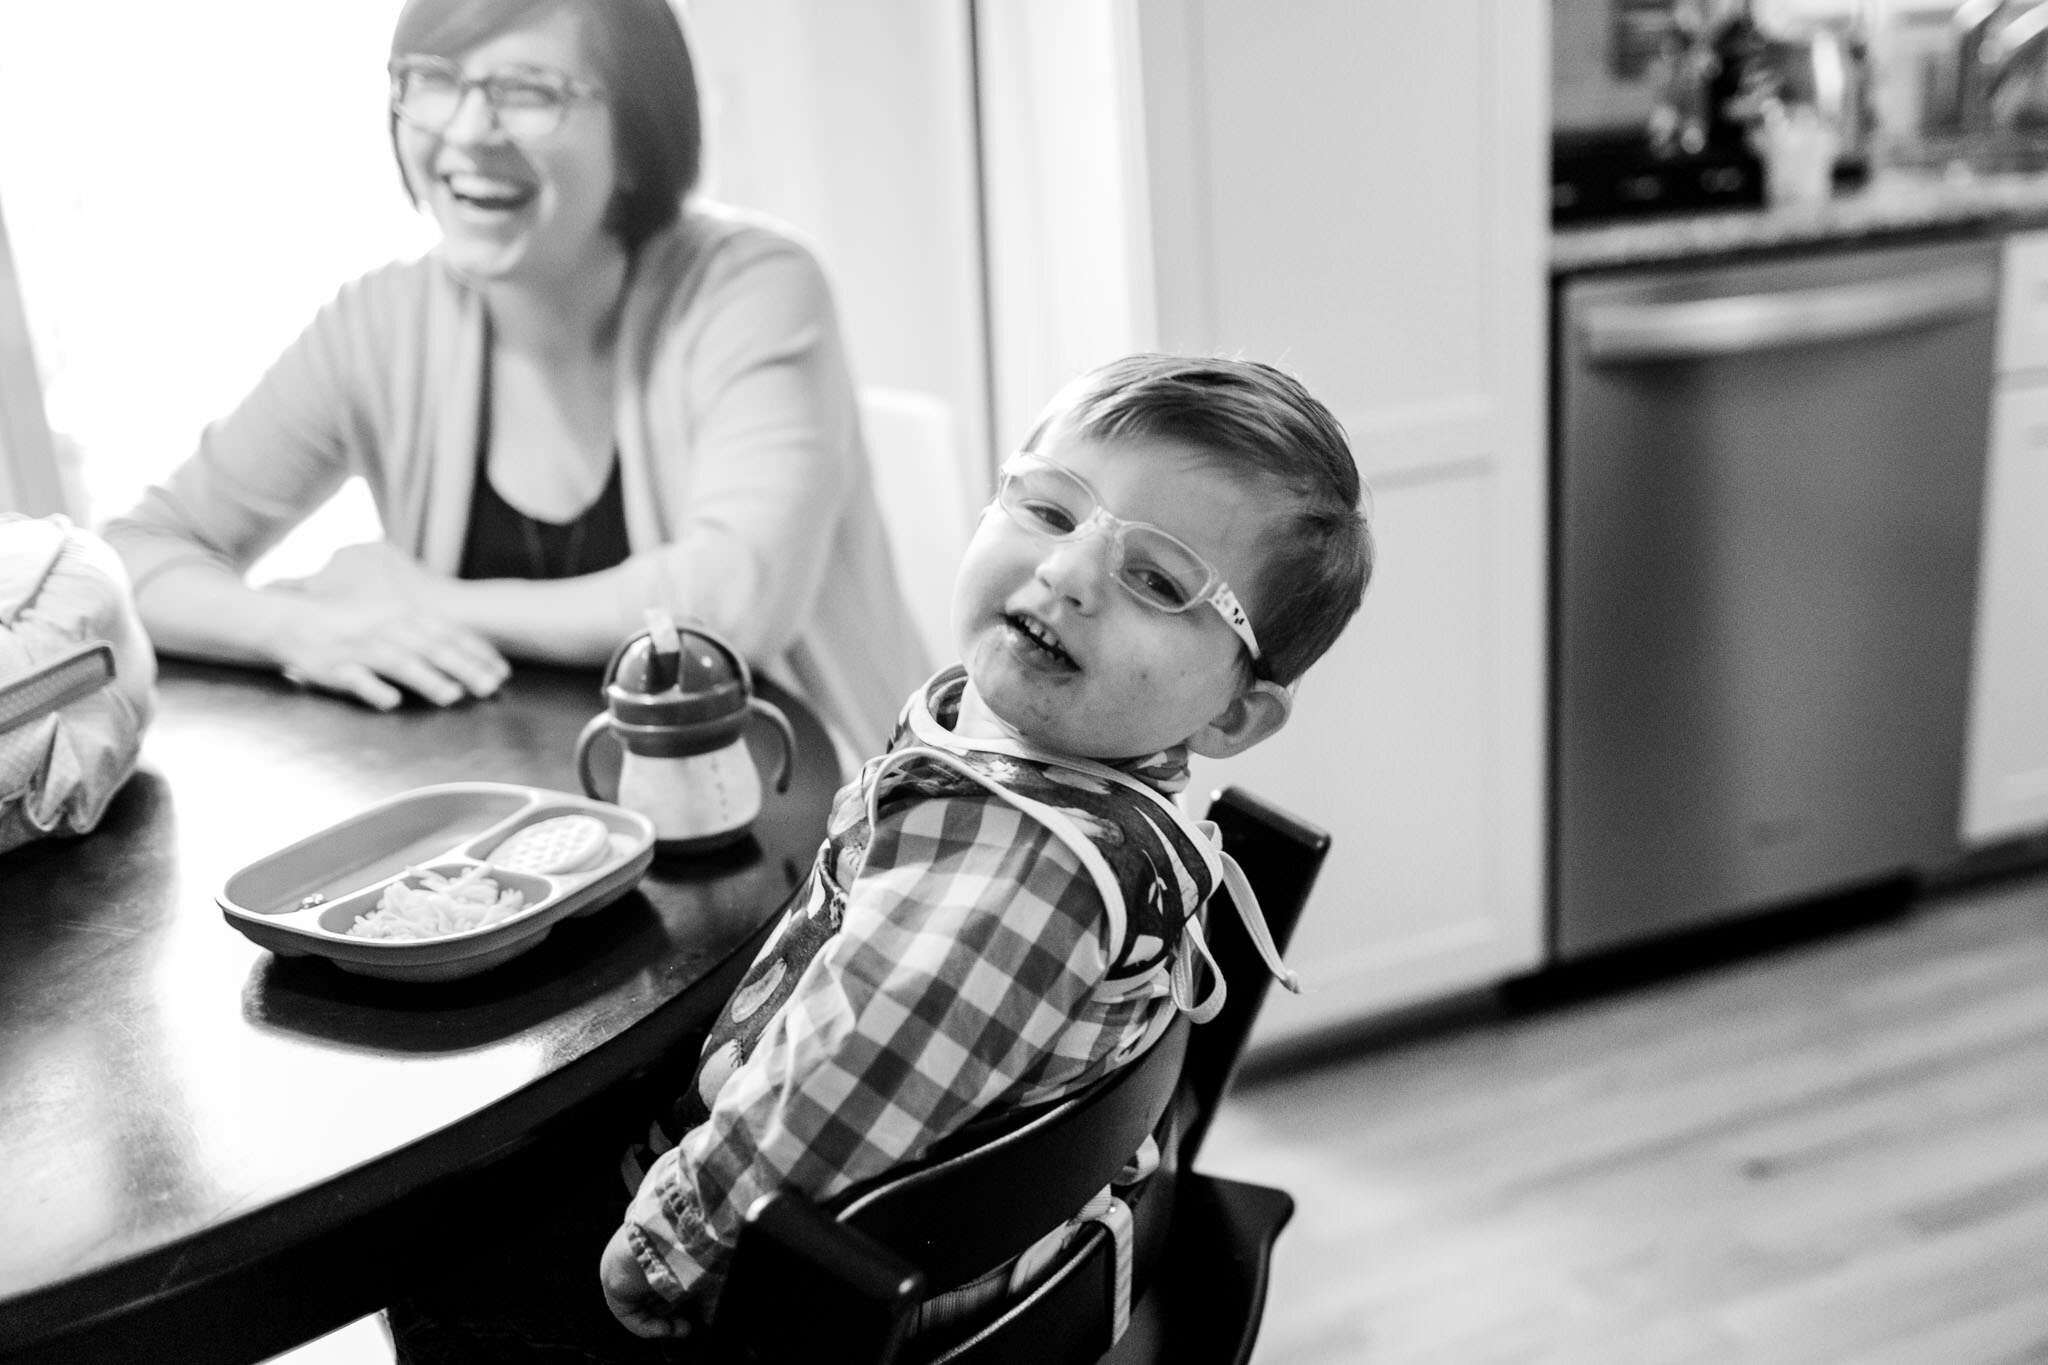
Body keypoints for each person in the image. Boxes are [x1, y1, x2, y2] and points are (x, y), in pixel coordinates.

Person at [383, 352, 1374, 1361]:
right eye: (1048, 509)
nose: (1069, 573)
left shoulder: (1014, 878)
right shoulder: (1063, 783)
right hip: (951, 1257)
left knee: (433, 1254)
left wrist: (655, 1258)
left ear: (1237, 713)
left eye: (1159, 581)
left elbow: (825, 1109)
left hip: (823, 1315)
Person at [100, 0, 927, 761]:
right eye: (433, 81)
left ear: (636, 140)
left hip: (822, 821)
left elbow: (734, 599)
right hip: (524, 832)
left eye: (528, 90)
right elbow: (135, 558)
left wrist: (423, 600)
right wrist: (300, 629)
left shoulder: (752, 286)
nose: (467, 130)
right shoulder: (380, 322)